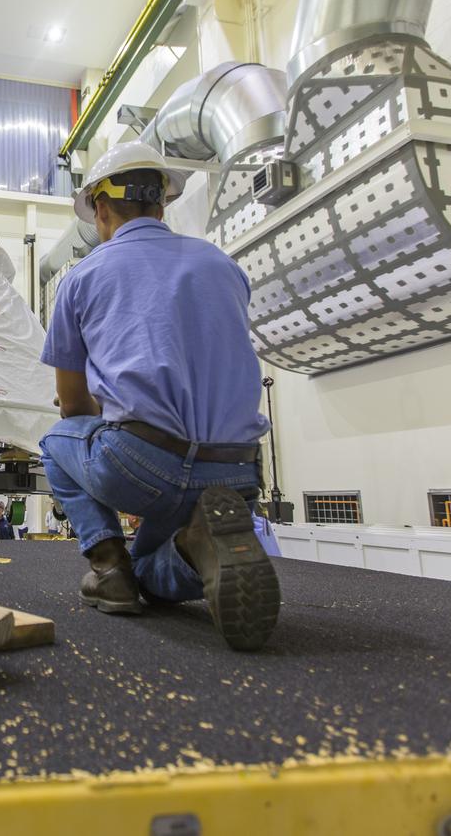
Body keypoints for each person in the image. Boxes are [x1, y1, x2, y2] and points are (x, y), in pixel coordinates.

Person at [39, 140, 280, 652]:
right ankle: (197, 548)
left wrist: (122, 467)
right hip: (235, 472)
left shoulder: (82, 278)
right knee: (151, 572)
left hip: (142, 462)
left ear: (100, 209)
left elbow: (73, 405)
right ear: (161, 204)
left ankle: (107, 569)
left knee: (57, 439)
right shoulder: (222, 264)